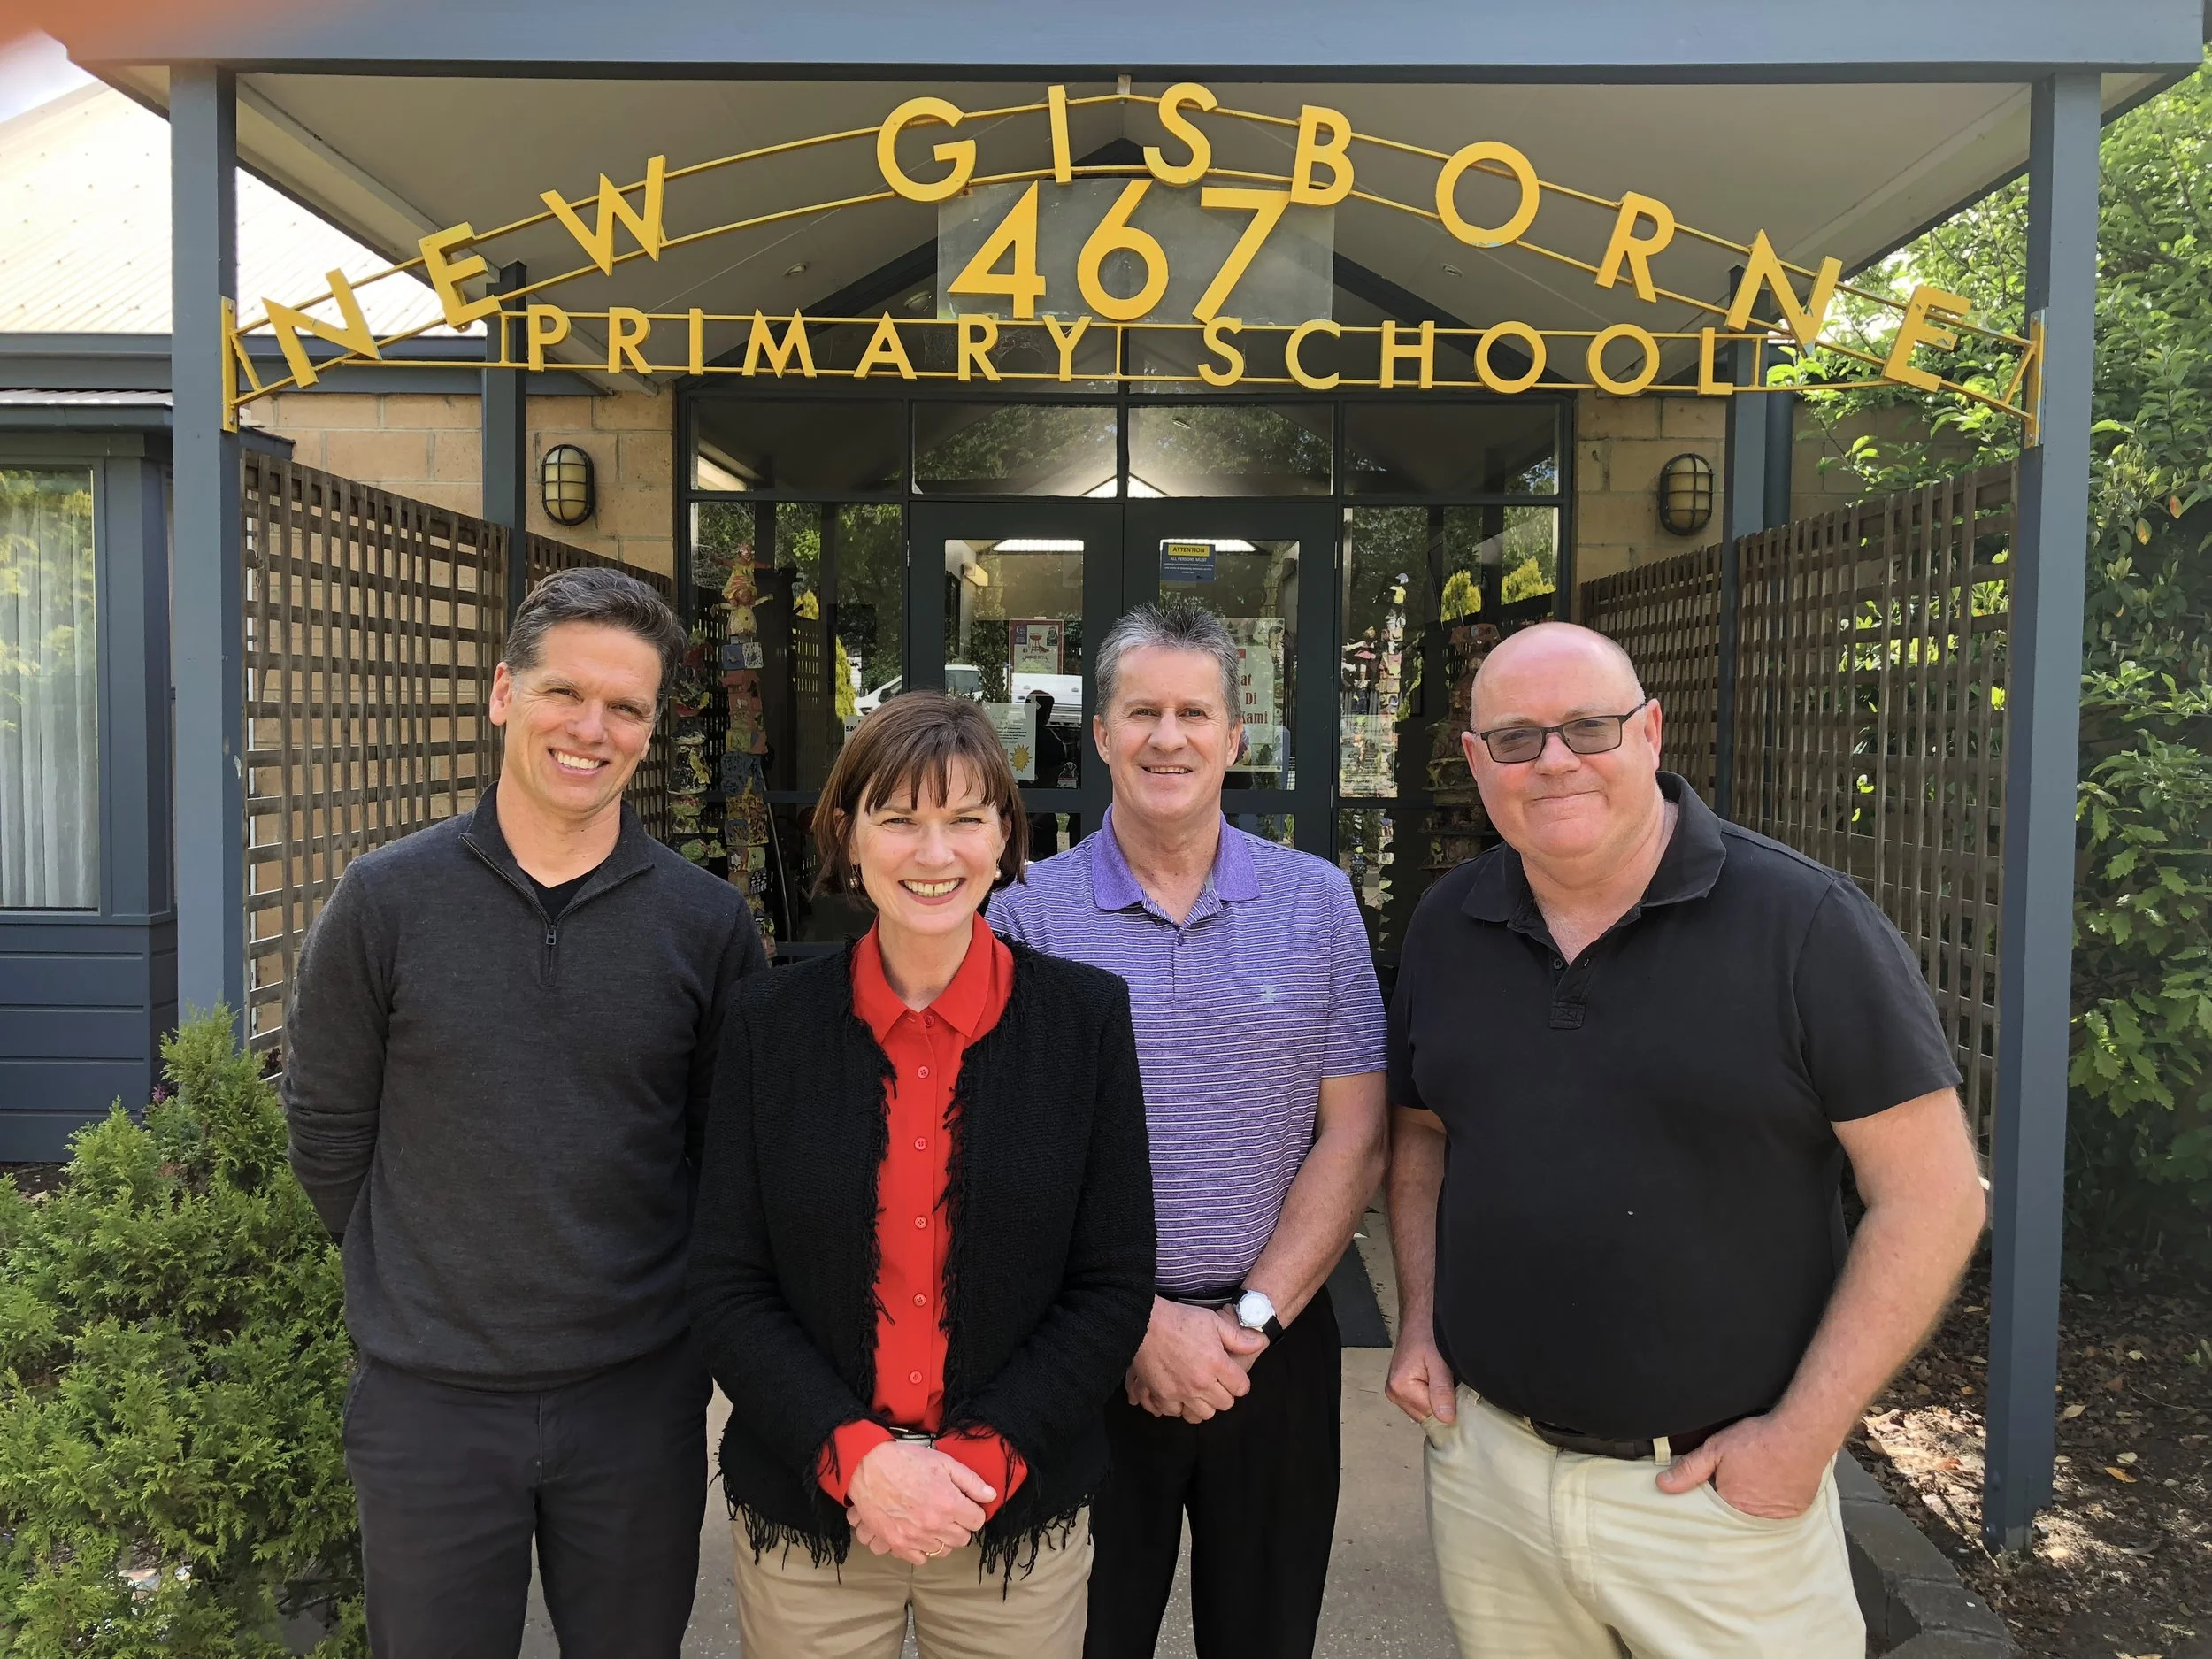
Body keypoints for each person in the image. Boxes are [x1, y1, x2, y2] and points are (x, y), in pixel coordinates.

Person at [1385, 621, 1987, 1658]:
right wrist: (1420, 1324)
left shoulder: (1803, 926)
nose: (1556, 760)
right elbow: (1423, 1136)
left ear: (1651, 732)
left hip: (1716, 1505)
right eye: (1517, 739)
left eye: (1588, 727)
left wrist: (1802, 1440)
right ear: (1477, 763)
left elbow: (1934, 1194)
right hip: (1488, 1477)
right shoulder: (1448, 925)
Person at [284, 566, 768, 1658]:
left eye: (627, 706)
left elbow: (720, 1155)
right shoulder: (385, 902)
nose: (590, 729)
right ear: (504, 692)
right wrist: (429, 1274)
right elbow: (326, 1135)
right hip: (429, 1407)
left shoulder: (704, 927)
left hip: (635, 1401)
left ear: (652, 725)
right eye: (563, 693)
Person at [687, 693, 1155, 1659]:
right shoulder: (767, 1028)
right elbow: (728, 1282)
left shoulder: (1084, 1023)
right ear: (847, 838)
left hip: (1008, 1518)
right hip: (812, 1517)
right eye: (898, 820)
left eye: (964, 819)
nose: (933, 854)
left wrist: (977, 1463)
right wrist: (858, 1461)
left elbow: (1109, 1285)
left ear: (1003, 841)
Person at [992, 603, 1389, 1659]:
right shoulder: (1024, 911)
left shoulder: (1317, 902)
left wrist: (1250, 1320)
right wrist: (1134, 1325)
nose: (1168, 737)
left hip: (1274, 1346)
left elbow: (1354, 1135)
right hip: (1079, 1350)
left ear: (1236, 735)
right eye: (1141, 712)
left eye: (1194, 712)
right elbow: (1003, 1157)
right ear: (1102, 733)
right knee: (1081, 1638)